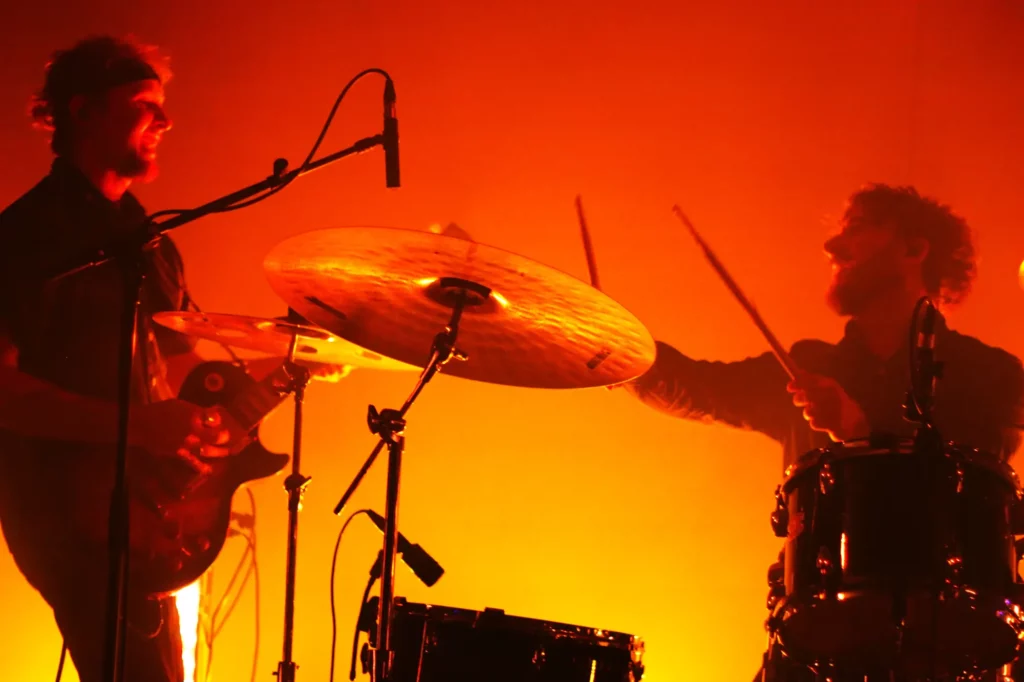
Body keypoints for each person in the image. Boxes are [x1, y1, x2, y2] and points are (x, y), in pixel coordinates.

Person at [0, 36, 236, 682]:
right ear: (83, 111)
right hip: (63, 511)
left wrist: (289, 365)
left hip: (138, 511)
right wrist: (137, 426)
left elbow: (184, 362)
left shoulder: (150, 242)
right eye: (143, 104)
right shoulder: (21, 240)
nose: (164, 121)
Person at [627, 183, 1024, 469]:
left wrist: (860, 430)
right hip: (819, 589)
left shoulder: (992, 375)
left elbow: (963, 493)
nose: (830, 247)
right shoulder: (808, 365)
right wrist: (610, 346)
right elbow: (698, 389)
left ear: (913, 250)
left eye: (857, 228)